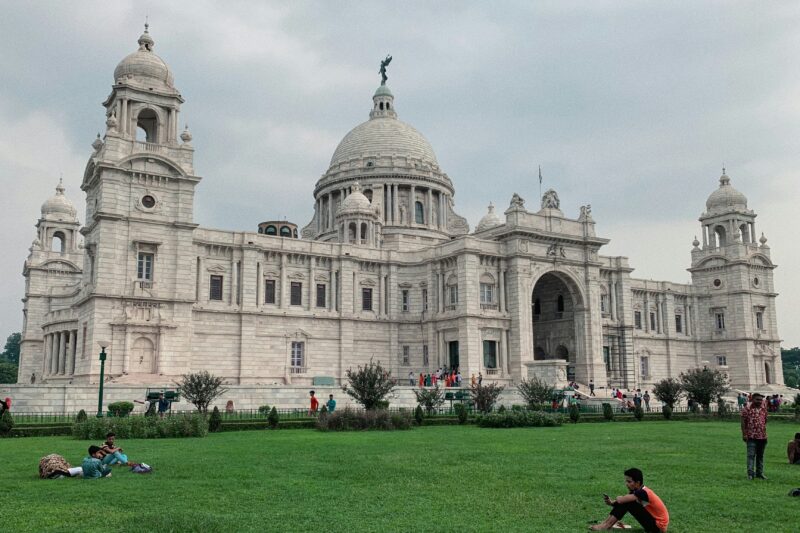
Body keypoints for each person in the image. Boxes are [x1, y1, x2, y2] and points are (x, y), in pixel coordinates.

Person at [589, 467, 669, 532]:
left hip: (658, 527)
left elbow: (621, 500)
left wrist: (619, 498)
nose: (626, 484)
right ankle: (605, 524)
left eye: (629, 482)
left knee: (628, 502)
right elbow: (621, 502)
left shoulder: (643, 492)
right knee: (627, 502)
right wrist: (611, 502)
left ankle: (606, 526)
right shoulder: (636, 492)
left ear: (637, 483)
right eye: (626, 481)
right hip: (654, 524)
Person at [741, 393, 768, 480]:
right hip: (751, 436)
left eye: (761, 400)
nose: (759, 401)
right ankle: (750, 474)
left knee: (760, 456)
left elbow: (765, 420)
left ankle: (759, 473)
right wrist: (744, 434)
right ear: (752, 399)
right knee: (751, 455)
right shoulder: (747, 409)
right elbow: (743, 422)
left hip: (762, 436)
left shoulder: (763, 408)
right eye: (757, 399)